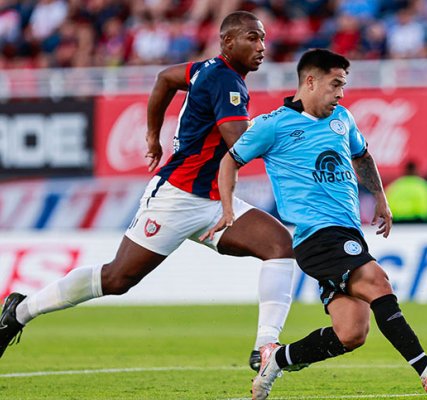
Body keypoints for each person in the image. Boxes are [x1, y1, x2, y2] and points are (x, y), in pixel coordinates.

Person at [0, 11, 296, 373]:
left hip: (214, 198)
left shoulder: (207, 69)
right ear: (228, 42)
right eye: (253, 37)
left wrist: (152, 135)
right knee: (116, 279)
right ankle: (21, 311)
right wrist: (289, 127)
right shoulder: (225, 81)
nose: (262, 46)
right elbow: (240, 144)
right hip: (177, 198)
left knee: (279, 244)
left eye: (263, 38)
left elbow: (165, 78)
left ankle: (265, 347)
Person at [202, 49, 427, 399]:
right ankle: (425, 367)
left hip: (346, 232)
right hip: (316, 235)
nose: (341, 93)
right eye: (335, 84)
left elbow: (362, 156)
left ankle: (277, 360)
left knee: (351, 333)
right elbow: (229, 161)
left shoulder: (342, 118)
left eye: (344, 85)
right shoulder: (273, 124)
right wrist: (228, 207)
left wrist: (381, 199)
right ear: (309, 81)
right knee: (377, 280)